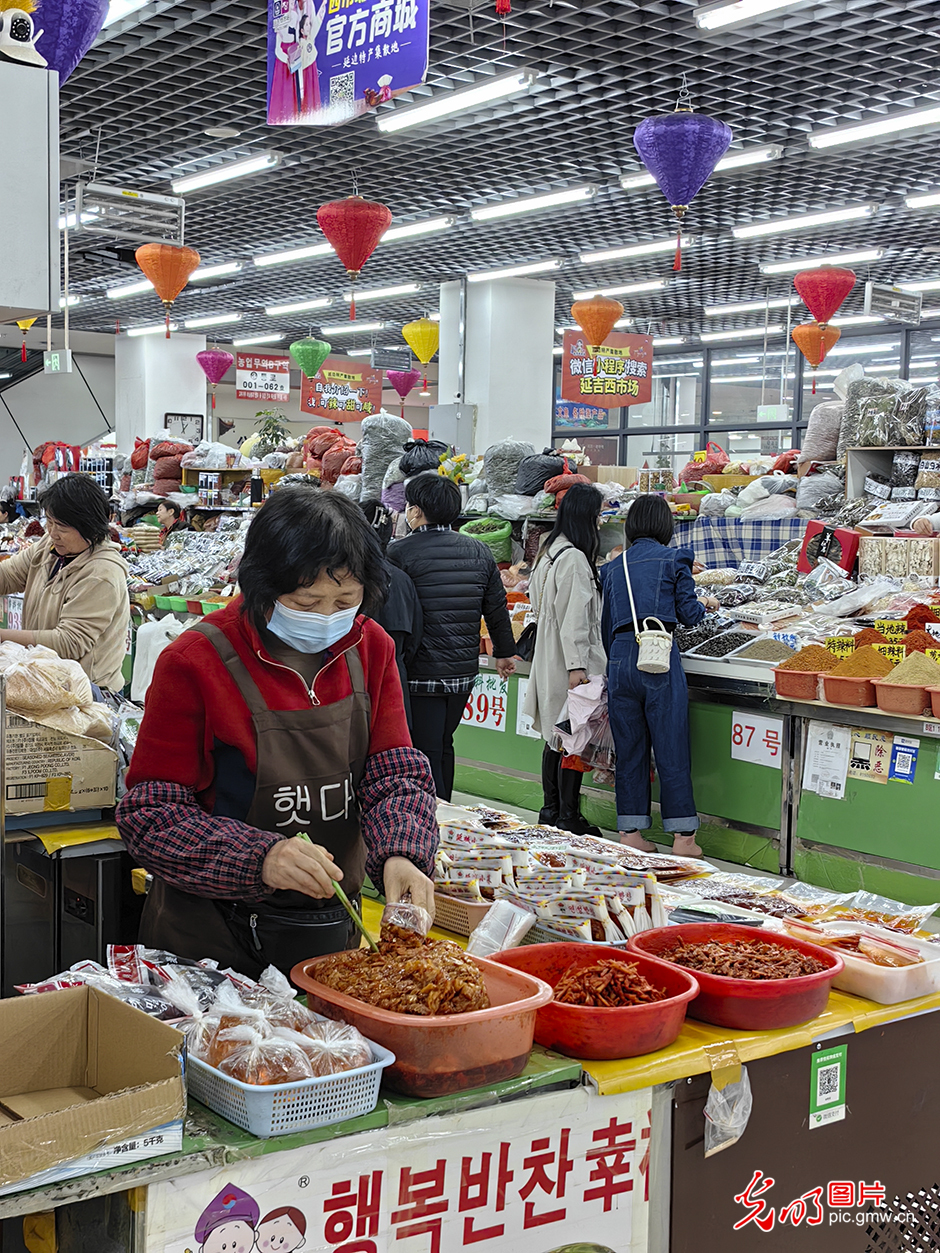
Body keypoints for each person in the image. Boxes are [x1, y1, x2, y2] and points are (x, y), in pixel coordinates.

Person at [117, 488, 438, 978]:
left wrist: (402, 852)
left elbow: (392, 772)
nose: (328, 616)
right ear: (263, 586)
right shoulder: (195, 661)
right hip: (209, 946)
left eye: (345, 600)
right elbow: (151, 815)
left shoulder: (371, 647)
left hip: (330, 935)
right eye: (306, 601)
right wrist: (260, 858)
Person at [600, 495, 718, 859]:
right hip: (658, 657)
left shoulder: (614, 568)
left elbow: (606, 625)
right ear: (666, 526)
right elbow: (689, 614)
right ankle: (683, 838)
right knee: (670, 745)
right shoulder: (674, 559)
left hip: (620, 659)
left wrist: (619, 658)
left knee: (630, 748)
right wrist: (707, 604)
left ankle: (631, 831)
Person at [388, 474, 516, 800]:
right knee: (444, 742)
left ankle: (434, 822)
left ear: (415, 511)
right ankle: (445, 810)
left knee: (425, 749)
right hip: (462, 672)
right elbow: (496, 608)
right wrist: (504, 652)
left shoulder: (398, 553)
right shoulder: (479, 551)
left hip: (420, 672)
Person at [524, 483, 607, 836]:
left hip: (548, 650)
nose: (600, 523)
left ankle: (551, 810)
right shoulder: (573, 558)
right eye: (598, 516)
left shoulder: (549, 550)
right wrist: (577, 668)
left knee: (555, 738)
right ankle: (568, 816)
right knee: (573, 736)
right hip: (568, 657)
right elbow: (575, 618)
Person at [0, 474, 129, 693]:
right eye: (49, 522)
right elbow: (9, 576)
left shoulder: (101, 573)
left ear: (88, 525)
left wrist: (3, 637)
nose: (52, 533)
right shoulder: (48, 548)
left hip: (85, 693)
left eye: (61, 527)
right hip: (45, 680)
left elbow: (69, 642)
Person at [359, 499, 423, 730]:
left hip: (356, 676)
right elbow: (415, 636)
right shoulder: (402, 579)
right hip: (396, 674)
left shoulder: (346, 575)